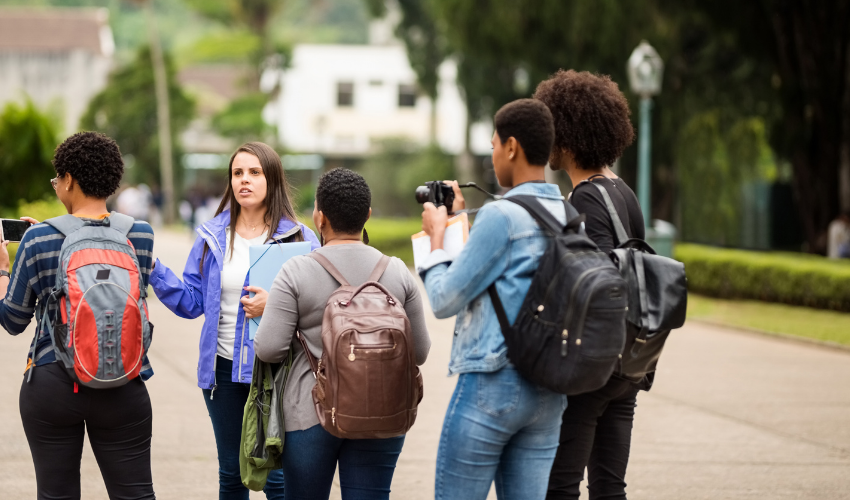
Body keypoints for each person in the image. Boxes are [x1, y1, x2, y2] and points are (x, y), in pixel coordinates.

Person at [148, 142, 319, 500]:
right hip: (222, 370)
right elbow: (192, 302)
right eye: (237, 173)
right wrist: (153, 268)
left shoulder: (300, 238)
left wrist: (277, 304)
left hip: (277, 371)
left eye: (254, 172)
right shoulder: (211, 236)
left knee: (276, 476)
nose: (244, 180)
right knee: (231, 474)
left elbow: (321, 305)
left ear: (272, 179)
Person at [419, 99, 567, 500]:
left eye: (494, 146)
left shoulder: (502, 215)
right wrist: (460, 223)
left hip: (494, 382)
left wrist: (436, 238)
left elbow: (444, 299)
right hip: (550, 391)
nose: (493, 155)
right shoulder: (568, 214)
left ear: (512, 147)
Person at [253, 167, 431, 500]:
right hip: (383, 412)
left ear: (319, 217)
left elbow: (268, 349)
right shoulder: (397, 271)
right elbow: (419, 352)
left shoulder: (296, 271)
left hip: (310, 413)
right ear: (368, 215)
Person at [0, 131, 156, 499]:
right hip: (123, 378)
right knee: (136, 494)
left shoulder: (38, 240)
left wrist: (4, 270)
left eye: (57, 179)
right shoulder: (141, 234)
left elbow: (12, 319)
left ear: (69, 179)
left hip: (53, 381)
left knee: (57, 494)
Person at [534, 69, 642, 500]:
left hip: (595, 365)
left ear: (566, 136)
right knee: (609, 487)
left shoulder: (585, 198)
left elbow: (598, 280)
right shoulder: (623, 191)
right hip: (628, 361)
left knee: (559, 487)